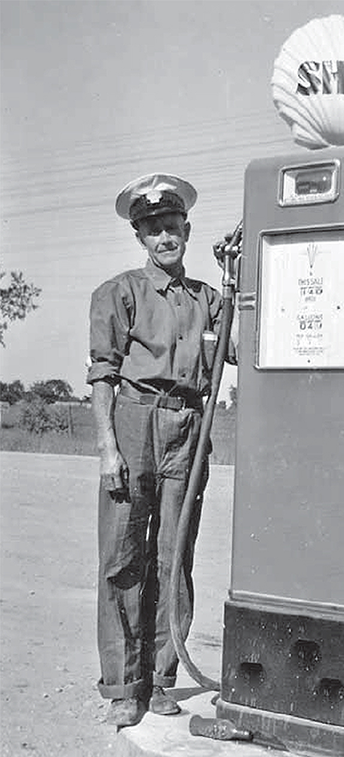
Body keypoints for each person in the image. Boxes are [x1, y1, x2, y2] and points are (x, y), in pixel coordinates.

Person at [87, 173, 237, 726]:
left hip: (189, 426)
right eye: (153, 228)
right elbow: (103, 376)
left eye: (172, 225)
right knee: (123, 558)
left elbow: (239, 348)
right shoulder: (118, 292)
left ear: (187, 229)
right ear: (140, 237)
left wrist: (241, 281)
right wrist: (108, 448)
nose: (164, 235)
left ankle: (160, 679)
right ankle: (125, 685)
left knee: (174, 557)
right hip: (133, 421)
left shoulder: (211, 299)